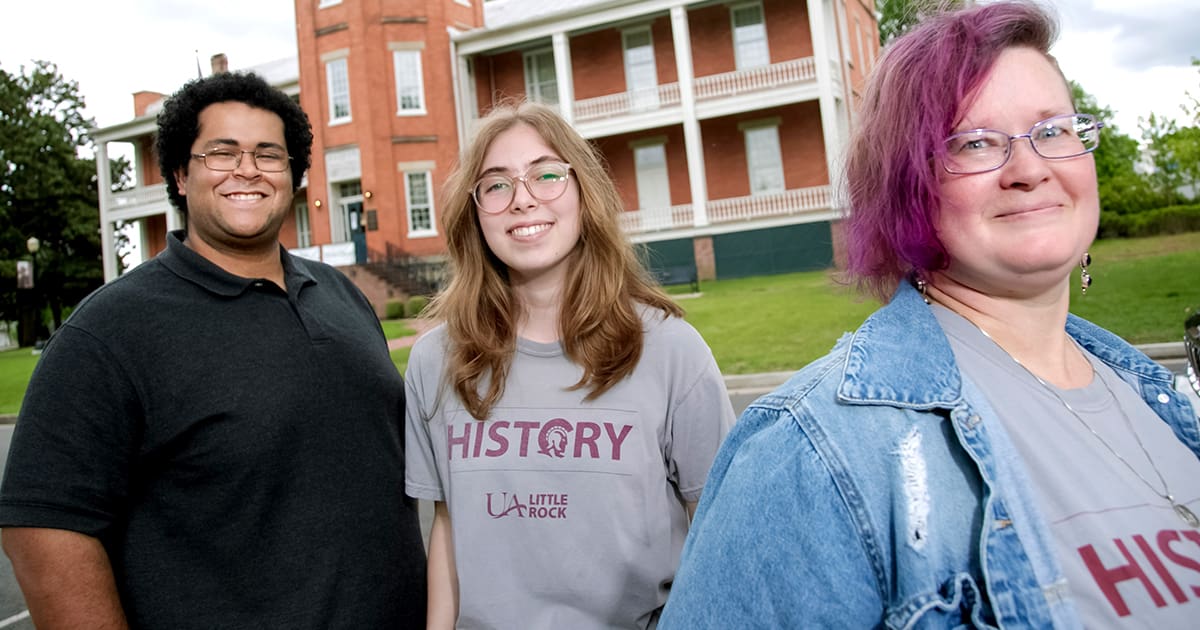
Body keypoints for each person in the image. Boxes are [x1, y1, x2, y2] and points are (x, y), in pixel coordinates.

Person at [660, 2, 1200, 627]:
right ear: (907, 185)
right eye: (975, 142)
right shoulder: (810, 452)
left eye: (1053, 130)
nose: (1030, 169)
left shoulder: (1156, 397)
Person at [0, 72, 426, 629]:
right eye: (221, 153)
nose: (246, 169)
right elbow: (43, 528)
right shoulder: (111, 330)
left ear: (294, 177)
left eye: (268, 155)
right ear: (180, 174)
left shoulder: (341, 294)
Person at [404, 101, 735, 628]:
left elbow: (720, 537)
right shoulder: (435, 361)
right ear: (476, 212)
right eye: (496, 185)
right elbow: (446, 527)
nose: (523, 200)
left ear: (585, 193)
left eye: (547, 175)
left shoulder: (672, 352)